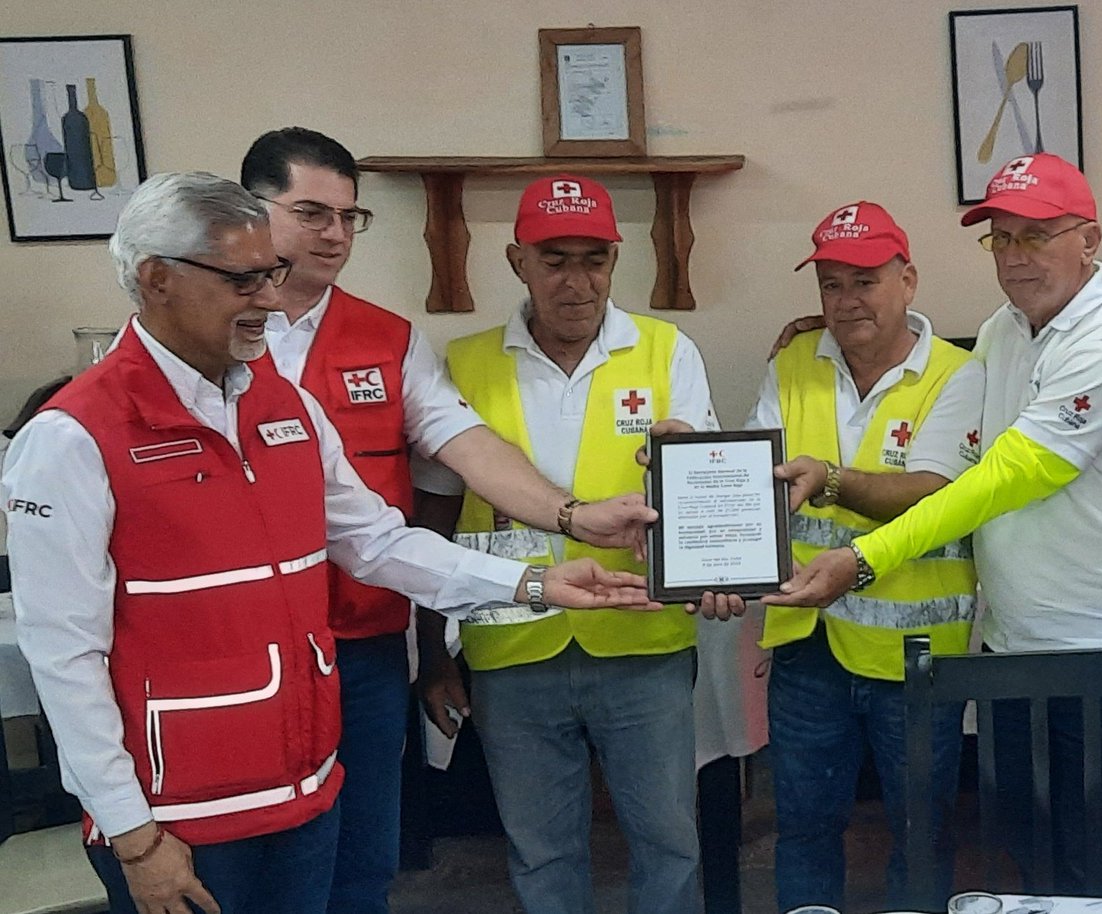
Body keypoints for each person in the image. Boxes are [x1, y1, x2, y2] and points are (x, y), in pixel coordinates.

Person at [0, 172, 657, 914]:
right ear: (156, 280)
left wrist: (535, 584)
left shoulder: (287, 406)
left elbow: (376, 541)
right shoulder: (72, 437)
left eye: (272, 275)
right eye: (244, 280)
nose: (271, 301)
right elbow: (63, 654)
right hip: (180, 817)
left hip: (306, 788)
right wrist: (132, 833)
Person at [239, 128, 656, 914]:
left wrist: (573, 517)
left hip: (358, 639)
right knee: (254, 856)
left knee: (364, 855)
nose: (334, 234)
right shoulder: (212, 333)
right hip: (241, 645)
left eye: (349, 217)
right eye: (311, 213)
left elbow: (464, 446)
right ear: (250, 210)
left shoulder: (388, 341)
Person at [770, 154, 1102, 897]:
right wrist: (844, 329)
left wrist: (863, 560)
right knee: (1028, 871)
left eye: (1037, 236)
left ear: (1088, 240)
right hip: (1011, 646)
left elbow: (998, 481)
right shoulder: (1007, 329)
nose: (1016, 258)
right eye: (1001, 239)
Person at [418, 174, 718, 914]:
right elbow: (431, 522)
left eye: (595, 259)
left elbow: (709, 497)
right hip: (512, 650)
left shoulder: (666, 351)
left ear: (617, 259)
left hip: (643, 641)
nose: (577, 282)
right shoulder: (462, 362)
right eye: (555, 261)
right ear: (518, 261)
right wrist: (431, 656)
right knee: (540, 852)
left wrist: (687, 460)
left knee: (669, 843)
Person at [739, 201, 983, 911]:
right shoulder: (794, 362)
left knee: (922, 831)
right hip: (806, 646)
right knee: (806, 829)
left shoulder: (961, 374)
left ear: (908, 280)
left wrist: (832, 480)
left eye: (866, 281)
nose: (846, 302)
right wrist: (716, 562)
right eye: (831, 285)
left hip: (917, 656)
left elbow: (931, 492)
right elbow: (757, 483)